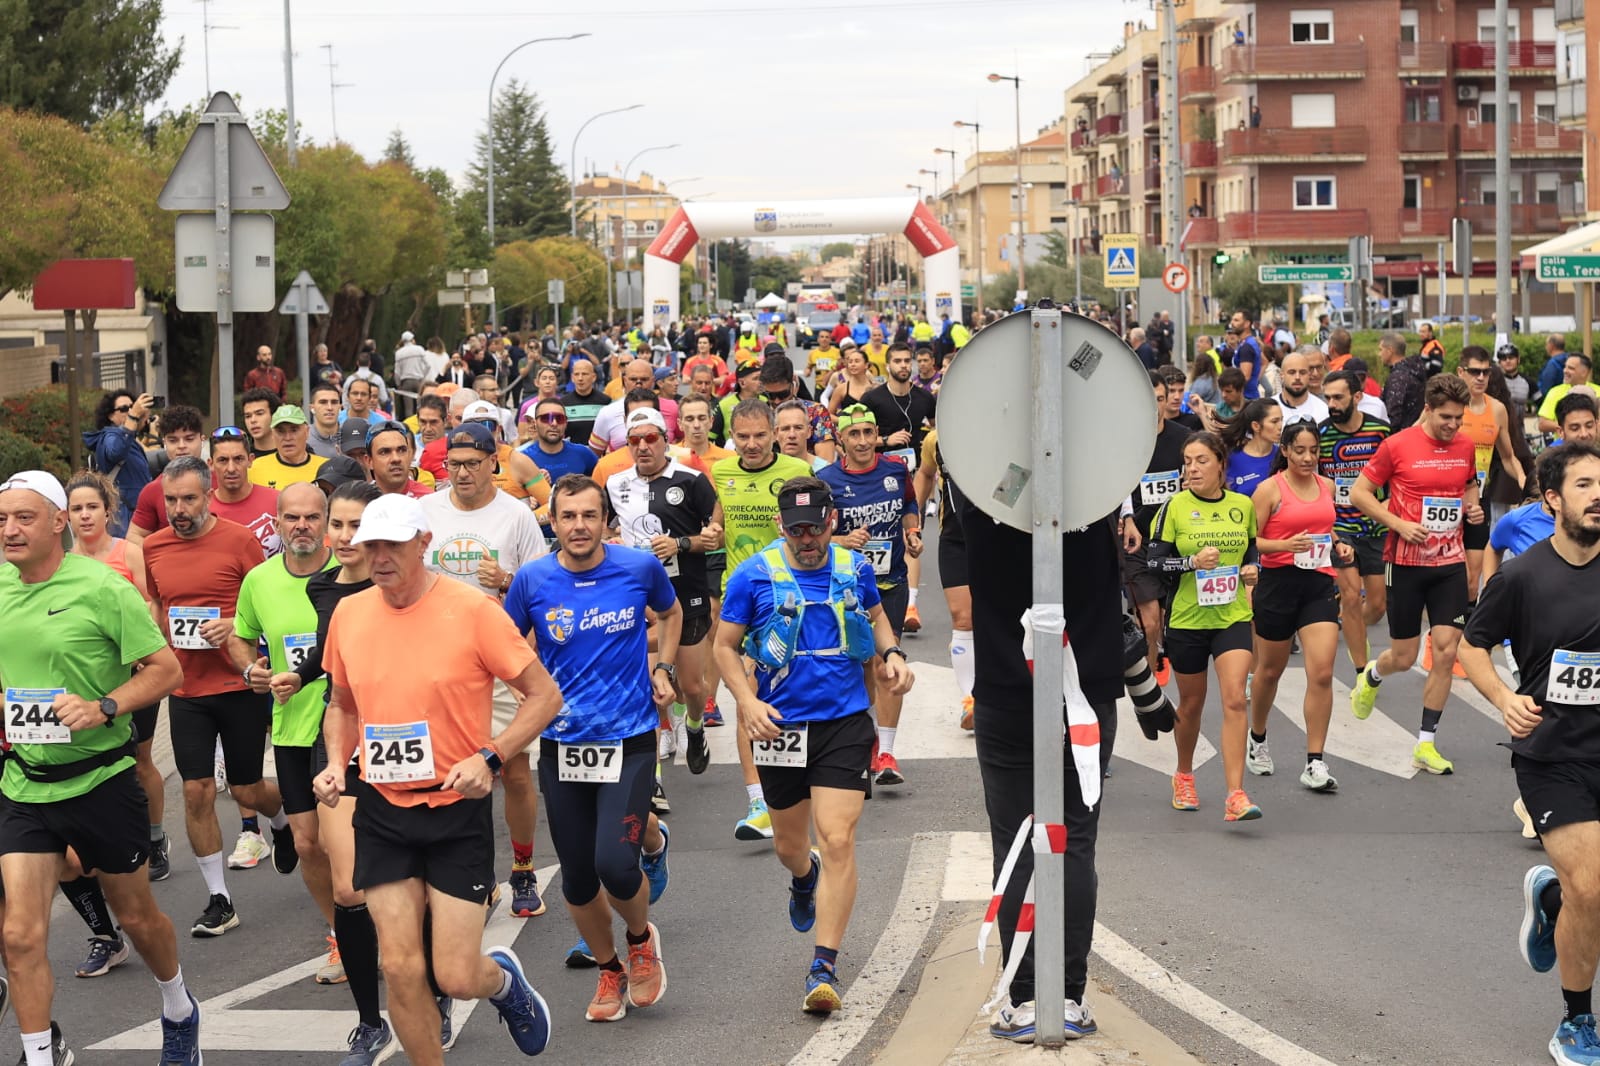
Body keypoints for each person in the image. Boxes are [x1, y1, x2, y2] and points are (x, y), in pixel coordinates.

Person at [313, 494, 558, 1065]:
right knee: (400, 968)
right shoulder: (350, 614)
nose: (380, 557)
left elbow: (545, 697)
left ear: (423, 543)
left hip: (455, 809)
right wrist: (335, 763)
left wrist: (491, 758)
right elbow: (342, 704)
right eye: (372, 545)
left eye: (393, 545)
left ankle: (502, 983)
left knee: (455, 975)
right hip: (382, 807)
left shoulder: (472, 610)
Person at [0, 470, 202, 1066]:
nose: (10, 530)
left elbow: (166, 671)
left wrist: (103, 707)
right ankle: (42, 1055)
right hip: (26, 784)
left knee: (136, 917)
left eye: (24, 517)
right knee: (19, 935)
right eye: (2, 519)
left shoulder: (103, 587)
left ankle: (179, 1007)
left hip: (102, 779)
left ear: (58, 522)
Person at [713, 476, 914, 1014]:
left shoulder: (854, 568)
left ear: (832, 523)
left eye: (816, 529)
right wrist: (746, 701)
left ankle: (823, 965)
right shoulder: (753, 575)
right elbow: (724, 646)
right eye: (796, 530)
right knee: (789, 846)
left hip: (844, 723)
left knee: (839, 837)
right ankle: (804, 878)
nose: (807, 540)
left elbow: (876, 615)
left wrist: (892, 654)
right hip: (779, 727)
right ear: (781, 526)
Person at [504, 474, 677, 1022]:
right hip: (562, 743)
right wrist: (524, 687)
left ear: (606, 521)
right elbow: (505, 644)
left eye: (589, 515)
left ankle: (640, 939)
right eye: (568, 516)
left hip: (628, 736)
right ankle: (609, 968)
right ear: (552, 522)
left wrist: (664, 668)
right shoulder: (532, 580)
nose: (579, 526)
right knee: (578, 877)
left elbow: (671, 613)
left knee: (616, 865)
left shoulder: (638, 568)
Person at [958, 470, 1120, 1041]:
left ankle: (1027, 998)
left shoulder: (987, 497)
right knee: (1074, 843)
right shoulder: (1098, 489)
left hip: (1008, 693)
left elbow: (985, 487)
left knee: (1016, 843)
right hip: (1087, 693)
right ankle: (1068, 996)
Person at [1456, 443, 1600, 1065]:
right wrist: (1504, 698)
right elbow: (1471, 647)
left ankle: (1551, 898)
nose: (1598, 495)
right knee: (1591, 888)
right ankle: (1575, 1021)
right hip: (1552, 753)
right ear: (1552, 499)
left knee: (1585, 890)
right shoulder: (1521, 576)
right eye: (1585, 484)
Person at [263, 481, 396, 1060]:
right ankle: (370, 1022)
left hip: (407, 735)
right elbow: (332, 654)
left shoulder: (399, 585)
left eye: (354, 526)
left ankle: (436, 990)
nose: (342, 537)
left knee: (410, 874)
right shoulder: (323, 587)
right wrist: (301, 674)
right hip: (340, 732)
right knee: (347, 886)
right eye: (336, 525)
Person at [143, 456, 297, 932]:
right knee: (196, 790)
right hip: (187, 688)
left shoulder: (239, 540)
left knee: (246, 788)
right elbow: (158, 603)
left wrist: (233, 624)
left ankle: (281, 822)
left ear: (208, 497)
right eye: (171, 500)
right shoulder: (154, 546)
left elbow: (266, 600)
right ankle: (219, 898)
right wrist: (154, 640)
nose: (179, 509)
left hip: (238, 682)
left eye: (189, 498)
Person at [419, 421, 551, 918]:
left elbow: (539, 591)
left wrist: (507, 579)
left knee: (512, 771)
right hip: (439, 660)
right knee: (453, 774)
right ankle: (474, 872)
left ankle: (523, 869)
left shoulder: (516, 515)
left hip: (499, 660)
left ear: (493, 463)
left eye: (473, 464)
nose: (462, 473)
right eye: (454, 464)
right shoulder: (426, 512)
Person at [226, 483, 344, 980]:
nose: (302, 526)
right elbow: (240, 637)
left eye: (312, 517)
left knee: (343, 842)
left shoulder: (348, 574)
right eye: (292, 518)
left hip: (344, 724)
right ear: (277, 524)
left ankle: (377, 926)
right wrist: (249, 668)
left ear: (326, 523)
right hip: (291, 726)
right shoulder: (259, 580)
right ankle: (341, 935)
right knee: (308, 844)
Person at [1349, 373, 1484, 774]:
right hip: (1405, 564)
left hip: (1449, 563)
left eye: (1459, 418)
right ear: (1427, 409)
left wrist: (1472, 507)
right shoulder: (1397, 445)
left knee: (1446, 649)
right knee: (1405, 657)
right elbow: (1359, 493)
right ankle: (1373, 674)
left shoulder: (1464, 446)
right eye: (1446, 417)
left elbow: (1469, 484)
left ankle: (1426, 742)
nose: (1453, 425)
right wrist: (1398, 523)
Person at [1148, 432, 1263, 820]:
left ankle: (1236, 794)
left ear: (1220, 464)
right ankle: (1184, 774)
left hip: (1232, 616)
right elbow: (1154, 563)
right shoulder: (1175, 507)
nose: (1192, 469)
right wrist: (1192, 563)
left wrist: (1254, 569)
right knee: (1192, 703)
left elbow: (1251, 549)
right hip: (1188, 620)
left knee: (1234, 699)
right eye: (1187, 462)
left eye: (1201, 461)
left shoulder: (1242, 505)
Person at [712, 401, 813, 839]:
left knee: (793, 691)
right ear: (731, 437)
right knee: (746, 696)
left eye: (759, 435)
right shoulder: (721, 472)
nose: (751, 444)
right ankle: (758, 802)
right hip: (741, 597)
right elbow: (718, 518)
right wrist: (712, 532)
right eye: (742, 437)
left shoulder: (798, 471)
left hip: (789, 595)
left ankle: (797, 787)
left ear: (774, 434)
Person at [65, 473, 172, 882]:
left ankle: (155, 837)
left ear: (108, 511)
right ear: (65, 517)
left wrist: (143, 654)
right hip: (87, 683)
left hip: (134, 677)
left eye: (92, 507)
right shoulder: (64, 564)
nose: (85, 515)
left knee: (139, 760)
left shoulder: (129, 553)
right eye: (77, 508)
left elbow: (153, 603)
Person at [604, 408, 722, 776]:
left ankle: (694, 726)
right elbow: (604, 531)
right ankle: (654, 771)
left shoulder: (691, 480)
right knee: (649, 681)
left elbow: (715, 538)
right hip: (640, 599)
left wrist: (680, 544)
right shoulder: (615, 484)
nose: (642, 446)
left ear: (665, 441)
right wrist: (612, 543)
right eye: (634, 440)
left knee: (691, 685)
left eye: (650, 438)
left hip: (686, 592)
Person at [820, 405, 922, 786]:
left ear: (876, 434)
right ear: (841, 439)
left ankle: (887, 752)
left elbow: (909, 504)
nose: (862, 441)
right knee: (858, 667)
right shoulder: (826, 480)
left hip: (890, 585)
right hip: (846, 589)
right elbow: (813, 535)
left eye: (868, 433)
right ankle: (867, 736)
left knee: (885, 664)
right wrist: (843, 540)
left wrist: (912, 533)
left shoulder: (895, 470)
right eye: (854, 434)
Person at [1246, 422, 1350, 791]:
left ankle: (1314, 761)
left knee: (1321, 672)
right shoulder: (1269, 489)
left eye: (1314, 451)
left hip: (1318, 585)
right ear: (1286, 450)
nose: (1308, 458)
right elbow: (1249, 540)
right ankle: (1257, 737)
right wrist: (1284, 546)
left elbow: (1324, 525)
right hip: (1277, 585)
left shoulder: (1327, 486)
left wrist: (1339, 543)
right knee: (1269, 672)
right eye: (1300, 450)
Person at [1120, 372, 1192, 684]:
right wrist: (1127, 519)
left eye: (1160, 399)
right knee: (1150, 622)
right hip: (1137, 540)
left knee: (1165, 622)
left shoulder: (1183, 438)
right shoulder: (1125, 440)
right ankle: (1150, 692)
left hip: (1175, 541)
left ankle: (1159, 656)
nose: (1155, 406)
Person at [1318, 370, 1393, 671]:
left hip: (1376, 526)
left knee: (1377, 605)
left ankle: (1354, 628)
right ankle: (1363, 672)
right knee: (1349, 597)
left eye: (1338, 397)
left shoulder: (1380, 431)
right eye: (1327, 398)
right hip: (1340, 528)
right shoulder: (1321, 435)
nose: (1332, 404)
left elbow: (1398, 474)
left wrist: (1388, 503)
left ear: (1357, 397)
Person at [1457, 345, 1528, 602]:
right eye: (1475, 372)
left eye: (1486, 372)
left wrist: (1525, 482)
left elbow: (1508, 457)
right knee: (1451, 573)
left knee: (1472, 579)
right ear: (1461, 372)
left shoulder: (1496, 409)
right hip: (1444, 499)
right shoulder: (1448, 405)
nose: (1481, 378)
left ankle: (1464, 623)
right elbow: (1415, 435)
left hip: (1478, 499)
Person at [126, 404, 206, 544]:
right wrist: (161, 553)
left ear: (202, 440)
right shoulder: (152, 490)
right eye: (173, 440)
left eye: (189, 439)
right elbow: (133, 537)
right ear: (164, 443)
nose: (181, 446)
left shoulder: (222, 481)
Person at [83, 388, 155, 536]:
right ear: (110, 416)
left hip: (136, 516)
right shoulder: (109, 435)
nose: (130, 411)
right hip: (124, 519)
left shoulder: (129, 439)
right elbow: (115, 451)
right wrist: (133, 417)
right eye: (124, 409)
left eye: (132, 406)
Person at [251, 405, 329, 490]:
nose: (287, 438)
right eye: (281, 431)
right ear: (272, 434)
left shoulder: (326, 468)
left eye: (294, 430)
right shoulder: (256, 468)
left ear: (307, 432)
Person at [1220, 398, 1282, 497]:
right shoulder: (1231, 457)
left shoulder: (1283, 456)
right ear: (1256, 426)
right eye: (1274, 422)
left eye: (1281, 420)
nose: (1280, 426)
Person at [1379, 331, 1430, 433]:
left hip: (1403, 435)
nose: (1379, 354)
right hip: (1418, 431)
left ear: (1390, 350)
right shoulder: (1414, 370)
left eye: (1381, 349)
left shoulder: (1398, 377)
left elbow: (1393, 416)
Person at [1541, 355, 1595, 436]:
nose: (1565, 371)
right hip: (1564, 443)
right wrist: (1569, 425)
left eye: (1571, 368)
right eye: (1565, 367)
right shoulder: (1555, 392)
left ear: (1584, 372)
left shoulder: (1598, 391)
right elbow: (1542, 424)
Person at [1276, 349, 1329, 425]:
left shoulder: (1323, 410)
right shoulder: (1269, 408)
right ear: (1281, 375)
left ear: (1308, 375)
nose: (1297, 377)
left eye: (1302, 372)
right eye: (1292, 372)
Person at [306, 382, 345, 459]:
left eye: (334, 402)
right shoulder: (303, 438)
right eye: (323, 402)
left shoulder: (351, 435)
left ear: (340, 407)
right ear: (312, 408)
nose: (329, 407)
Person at [241, 387, 282, 459]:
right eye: (248, 416)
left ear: (274, 415)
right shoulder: (242, 457)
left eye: (259, 414)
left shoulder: (291, 454)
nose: (253, 420)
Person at [1538, 333, 1572, 402]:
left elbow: (1545, 389)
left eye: (1546, 344)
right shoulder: (1571, 360)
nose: (1546, 347)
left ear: (1551, 345)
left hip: (1553, 402)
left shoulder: (1552, 364)